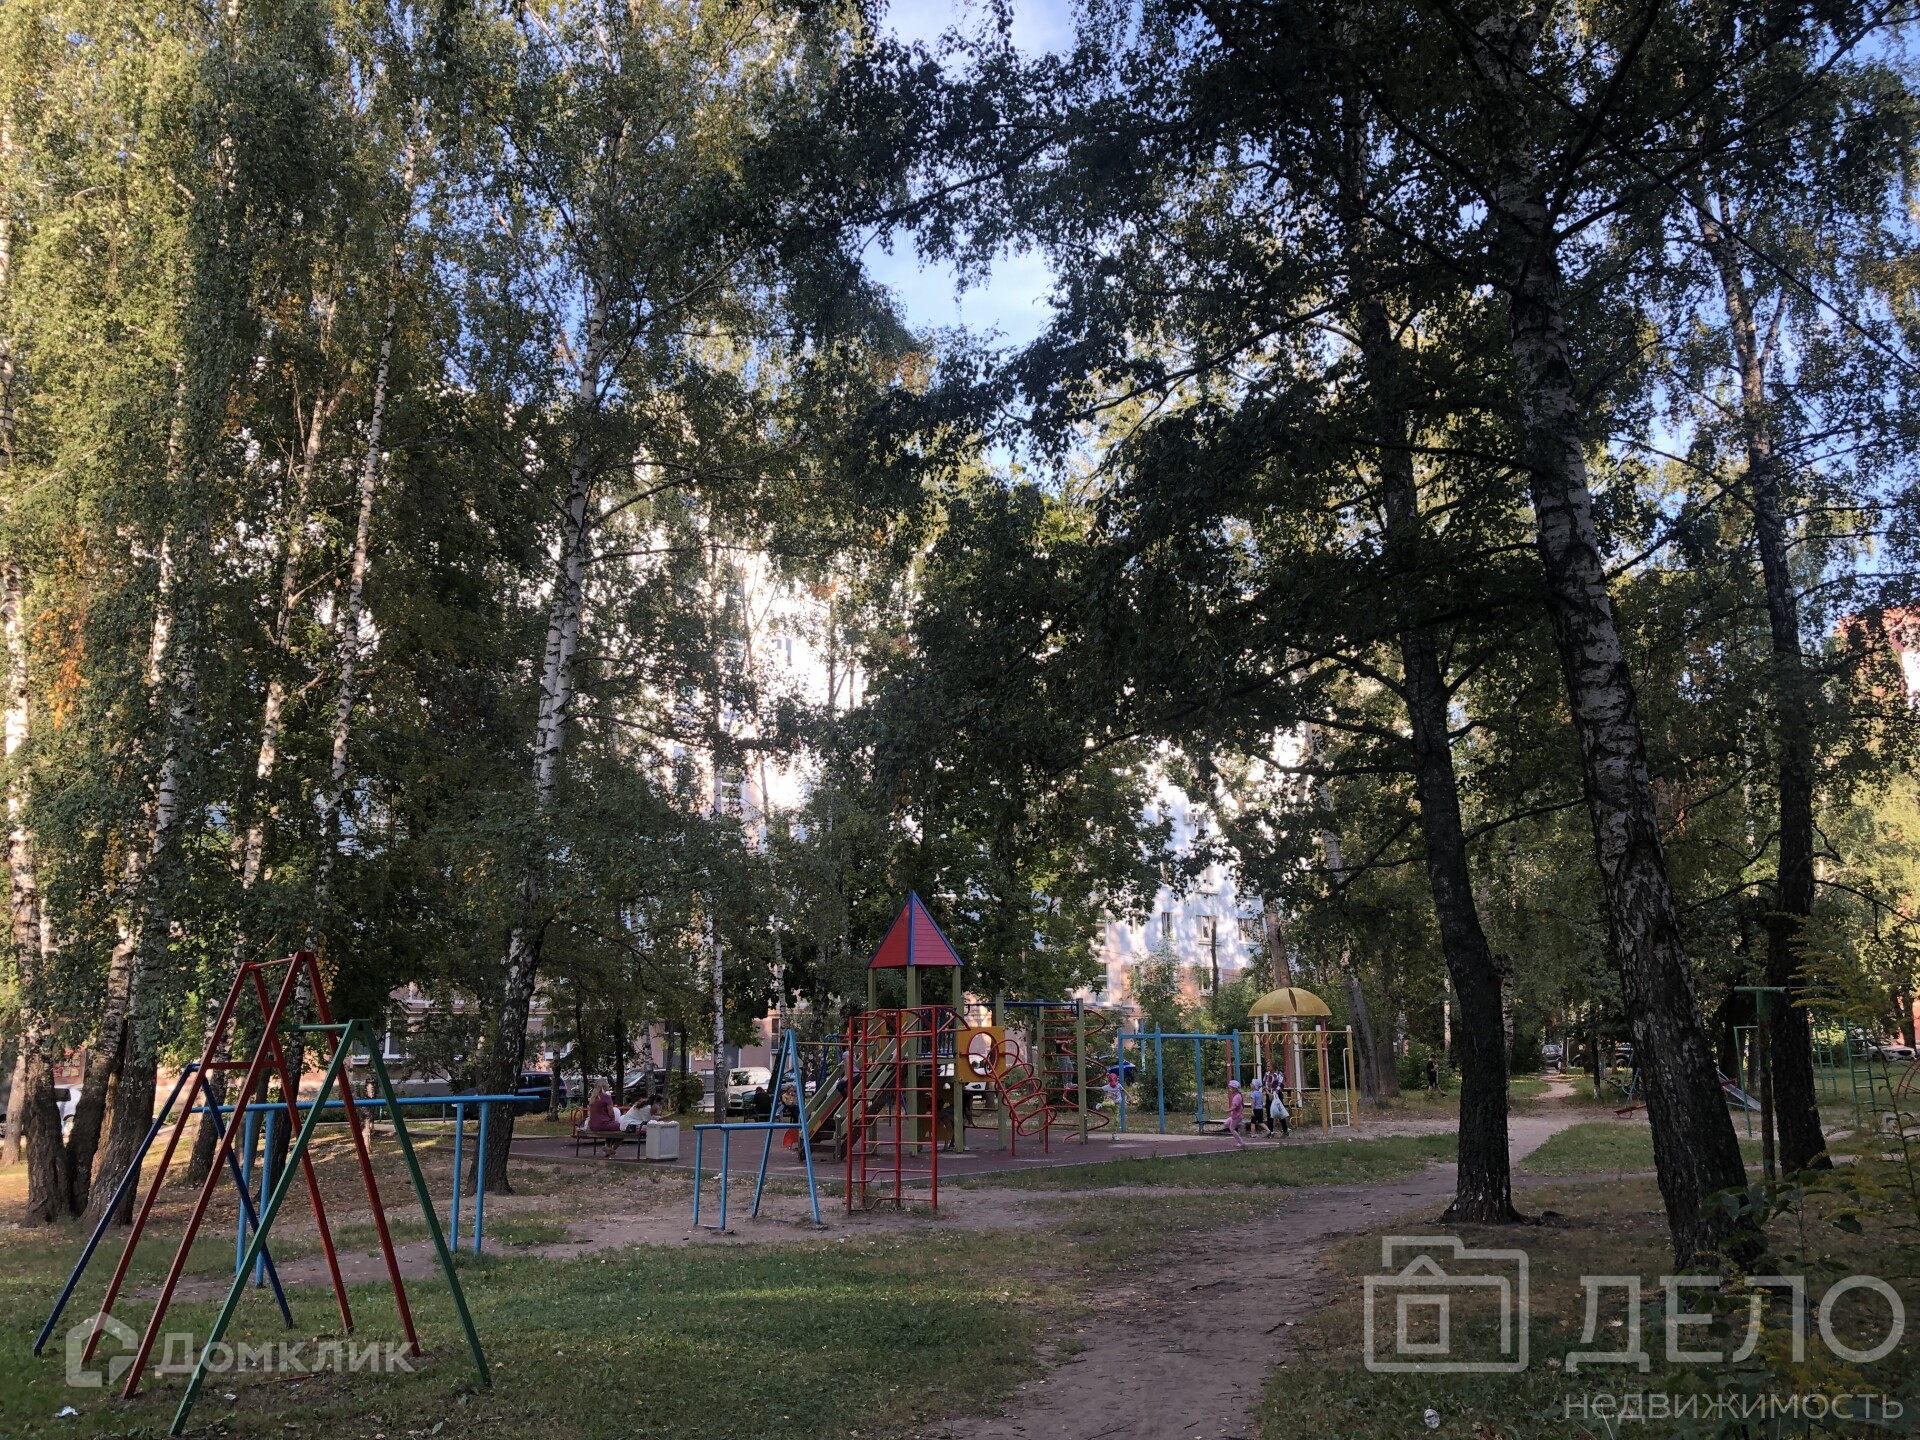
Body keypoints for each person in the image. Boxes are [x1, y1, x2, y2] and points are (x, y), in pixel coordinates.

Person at [1226, 1078, 1247, 1148]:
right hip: (1235, 1115)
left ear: (1234, 1089)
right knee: (1226, 1124)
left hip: (1236, 1116)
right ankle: (1240, 1124)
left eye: (1230, 1088)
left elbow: (1235, 1107)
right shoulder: (1238, 1096)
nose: (1229, 1090)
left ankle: (1241, 1143)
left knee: (1232, 1129)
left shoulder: (1237, 1097)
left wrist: (1228, 1110)